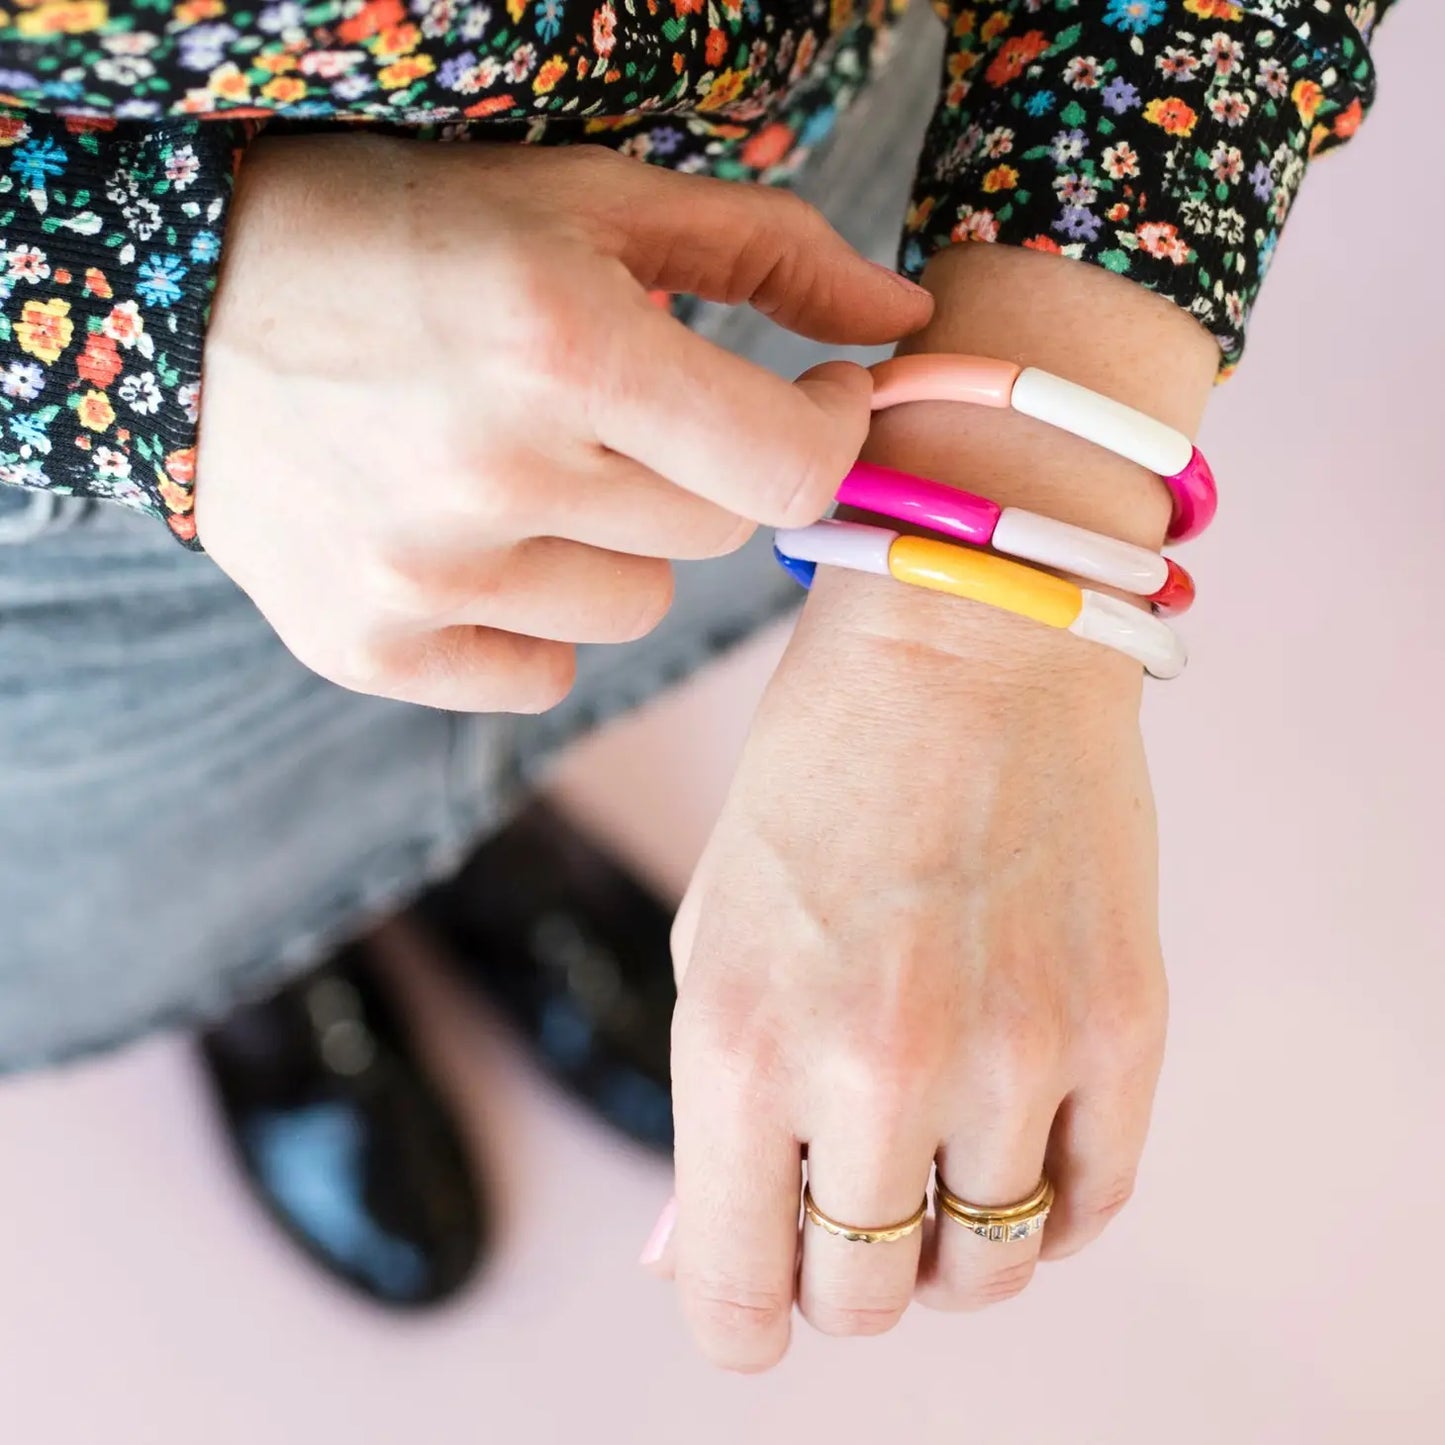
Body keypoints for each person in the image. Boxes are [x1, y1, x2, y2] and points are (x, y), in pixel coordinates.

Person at [0, 0, 1394, 1370]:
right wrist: (141, 303)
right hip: (73, 485)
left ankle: (479, 842)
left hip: (801, 197)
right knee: (210, 819)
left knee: (528, 643)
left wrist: (967, 633)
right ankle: (269, 960)